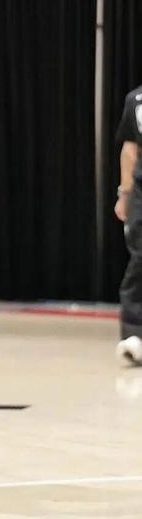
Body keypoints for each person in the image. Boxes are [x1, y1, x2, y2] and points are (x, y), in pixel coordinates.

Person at [115, 85, 142, 365]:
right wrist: (124, 194)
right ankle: (134, 334)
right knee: (139, 260)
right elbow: (130, 148)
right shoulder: (135, 100)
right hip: (141, 193)